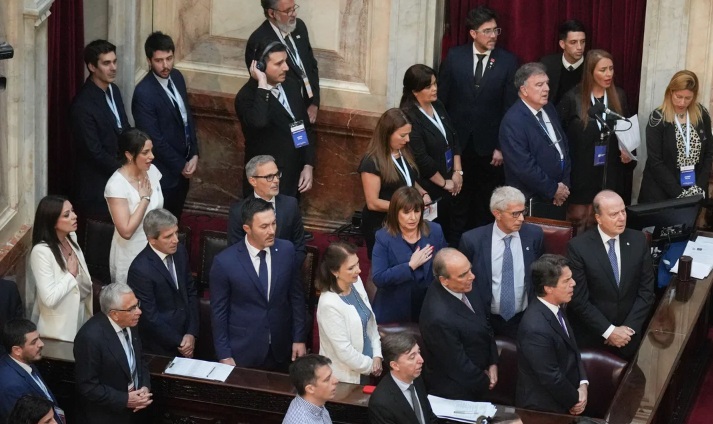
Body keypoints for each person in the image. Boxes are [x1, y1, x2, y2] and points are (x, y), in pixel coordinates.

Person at [438, 5, 518, 230]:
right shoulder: (455, 57)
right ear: (473, 33)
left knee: (485, 202)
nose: (493, 36)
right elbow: (442, 102)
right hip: (458, 146)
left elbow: (509, 108)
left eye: (495, 30)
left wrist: (501, 146)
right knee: (457, 200)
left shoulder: (508, 62)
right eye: (487, 31)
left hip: (490, 150)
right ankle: (455, 243)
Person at [211, 198, 306, 371]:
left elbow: (296, 297)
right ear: (247, 229)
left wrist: (299, 338)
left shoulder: (287, 251)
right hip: (243, 350)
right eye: (264, 226)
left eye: (273, 224)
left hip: (281, 348)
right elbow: (219, 312)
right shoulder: (225, 262)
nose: (272, 231)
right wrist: (224, 354)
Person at [566, 190, 655, 359]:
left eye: (623, 211)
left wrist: (628, 329)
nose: (621, 218)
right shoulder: (578, 247)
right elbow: (579, 299)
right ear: (598, 218)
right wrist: (609, 331)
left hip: (630, 336)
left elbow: (647, 291)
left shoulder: (638, 240)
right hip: (592, 336)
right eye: (614, 214)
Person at [558, 49, 635, 234]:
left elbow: (627, 129)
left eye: (611, 69)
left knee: (600, 221)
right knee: (578, 219)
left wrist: (628, 151)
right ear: (590, 72)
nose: (608, 74)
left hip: (608, 171)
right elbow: (559, 135)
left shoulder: (619, 96)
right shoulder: (572, 98)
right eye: (603, 70)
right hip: (581, 172)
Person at [459, 186, 544, 339]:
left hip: (524, 319)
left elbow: (541, 275)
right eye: (515, 214)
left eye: (523, 212)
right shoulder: (472, 241)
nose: (521, 218)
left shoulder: (534, 235)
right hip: (485, 320)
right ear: (497, 213)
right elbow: (463, 283)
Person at [235, 39, 315, 198]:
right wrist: (262, 84)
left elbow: (300, 126)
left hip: (293, 177)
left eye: (285, 61)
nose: (286, 67)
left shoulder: (291, 85)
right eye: (279, 63)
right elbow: (259, 122)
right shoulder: (246, 97)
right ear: (260, 66)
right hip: (266, 183)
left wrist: (307, 164)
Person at [132, 31, 199, 220]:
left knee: (175, 219)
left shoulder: (177, 77)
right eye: (159, 60)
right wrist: (181, 165)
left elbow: (187, 118)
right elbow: (154, 140)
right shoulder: (144, 93)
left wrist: (194, 153)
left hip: (184, 167)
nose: (165, 65)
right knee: (160, 223)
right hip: (162, 174)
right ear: (149, 60)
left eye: (169, 58)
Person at [419, 248, 498, 401]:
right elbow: (457, 365)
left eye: (470, 270)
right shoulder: (438, 318)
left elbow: (485, 324)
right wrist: (485, 381)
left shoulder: (465, 284)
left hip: (478, 375)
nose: (472, 276)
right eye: (463, 275)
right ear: (444, 280)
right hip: (457, 392)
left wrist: (493, 361)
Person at [400, 64, 464, 245]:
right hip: (431, 185)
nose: (435, 89)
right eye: (428, 86)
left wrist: (457, 172)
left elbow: (453, 137)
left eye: (435, 84)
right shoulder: (409, 116)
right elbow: (421, 158)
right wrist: (444, 183)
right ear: (415, 91)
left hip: (451, 180)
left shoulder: (438, 104)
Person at [516, 254, 588, 415]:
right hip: (543, 410)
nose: (573, 283)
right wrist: (575, 399)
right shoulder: (534, 328)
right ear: (548, 288)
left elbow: (573, 350)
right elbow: (550, 376)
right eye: (566, 280)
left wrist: (583, 384)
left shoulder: (557, 308)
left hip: (563, 400)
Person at [500, 62, 572, 220]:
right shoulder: (513, 121)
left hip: (558, 195)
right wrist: (553, 189)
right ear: (524, 90)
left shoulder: (549, 108)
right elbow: (524, 167)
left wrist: (564, 185)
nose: (546, 89)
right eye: (539, 85)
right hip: (530, 199)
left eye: (547, 83)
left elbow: (563, 148)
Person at [74, 283, 152, 424]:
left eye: (137, 304)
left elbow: (140, 359)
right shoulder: (90, 338)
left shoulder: (131, 322)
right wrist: (125, 399)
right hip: (107, 416)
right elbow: (88, 386)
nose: (139, 311)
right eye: (132, 308)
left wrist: (144, 387)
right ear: (114, 314)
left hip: (136, 411)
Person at [71, 39, 130, 220]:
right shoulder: (82, 105)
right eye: (106, 63)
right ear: (92, 67)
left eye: (114, 61)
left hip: (121, 179)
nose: (113, 68)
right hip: (98, 187)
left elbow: (123, 128)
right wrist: (126, 171)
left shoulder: (114, 90)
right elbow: (94, 152)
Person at [359, 108, 431, 258]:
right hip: (382, 224)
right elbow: (373, 203)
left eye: (408, 134)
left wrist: (422, 193)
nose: (408, 139)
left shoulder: (403, 152)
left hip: (404, 220)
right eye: (403, 135)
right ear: (387, 134)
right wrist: (407, 207)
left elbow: (407, 179)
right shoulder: (372, 162)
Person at [127, 208, 199, 357]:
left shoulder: (180, 252)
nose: (176, 240)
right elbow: (150, 316)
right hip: (160, 348)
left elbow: (191, 292)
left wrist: (191, 333)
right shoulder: (140, 269)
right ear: (152, 239)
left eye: (176, 232)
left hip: (188, 337)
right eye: (168, 236)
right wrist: (180, 342)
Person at [371, 186, 447, 323]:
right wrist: (410, 266)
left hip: (428, 305)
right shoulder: (383, 237)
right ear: (395, 212)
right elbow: (379, 278)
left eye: (417, 211)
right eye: (406, 212)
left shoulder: (435, 230)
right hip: (395, 308)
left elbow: (444, 265)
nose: (413, 218)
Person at [639, 70, 713, 202]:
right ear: (670, 92)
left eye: (688, 98)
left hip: (694, 189)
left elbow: (708, 153)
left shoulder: (702, 114)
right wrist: (679, 193)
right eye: (679, 96)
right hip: (661, 192)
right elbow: (655, 161)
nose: (682, 103)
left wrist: (699, 187)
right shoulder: (658, 118)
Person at [26, 196, 92, 342]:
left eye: (72, 211)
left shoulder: (71, 237)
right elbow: (49, 299)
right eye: (67, 215)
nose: (74, 216)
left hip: (80, 317)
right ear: (52, 221)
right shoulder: (41, 252)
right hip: (58, 331)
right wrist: (70, 275)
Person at [316, 242, 382, 384]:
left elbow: (370, 322)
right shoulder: (329, 304)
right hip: (346, 377)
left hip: (369, 365)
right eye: (351, 268)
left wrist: (377, 355)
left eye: (357, 264)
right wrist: (372, 366)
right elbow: (344, 351)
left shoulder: (356, 282)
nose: (358, 270)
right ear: (335, 271)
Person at [245, 0, 320, 124]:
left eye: (294, 8)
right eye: (288, 11)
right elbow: (264, 84)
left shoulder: (299, 27)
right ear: (272, 13)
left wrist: (314, 102)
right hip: (284, 117)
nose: (294, 14)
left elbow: (311, 65)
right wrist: (293, 114)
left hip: (308, 109)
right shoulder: (258, 41)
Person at [105, 128, 164, 285]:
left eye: (151, 150)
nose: (152, 156)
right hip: (131, 255)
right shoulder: (116, 185)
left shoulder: (152, 171)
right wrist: (145, 199)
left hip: (156, 250)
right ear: (129, 155)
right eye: (145, 152)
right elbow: (126, 231)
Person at [228, 155, 306, 267]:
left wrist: (285, 271)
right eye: (269, 177)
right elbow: (236, 251)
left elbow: (300, 247)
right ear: (253, 181)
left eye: (277, 175)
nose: (276, 180)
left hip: (286, 272)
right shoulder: (238, 211)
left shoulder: (291, 205)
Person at [0, 319, 63, 423]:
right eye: (34, 342)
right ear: (17, 350)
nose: (41, 344)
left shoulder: (26, 360)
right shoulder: (11, 386)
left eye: (39, 338)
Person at [368, 332, 438, 424]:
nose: (421, 360)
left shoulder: (416, 378)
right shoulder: (381, 403)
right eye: (412, 357)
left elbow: (429, 416)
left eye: (419, 352)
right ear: (395, 365)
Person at [539, 20, 587, 105]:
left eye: (582, 42)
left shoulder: (592, 65)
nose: (579, 47)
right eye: (573, 42)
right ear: (562, 44)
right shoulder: (547, 64)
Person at [282, 354, 337, 424]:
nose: (336, 381)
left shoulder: (315, 404)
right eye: (327, 379)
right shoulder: (301, 421)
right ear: (310, 389)